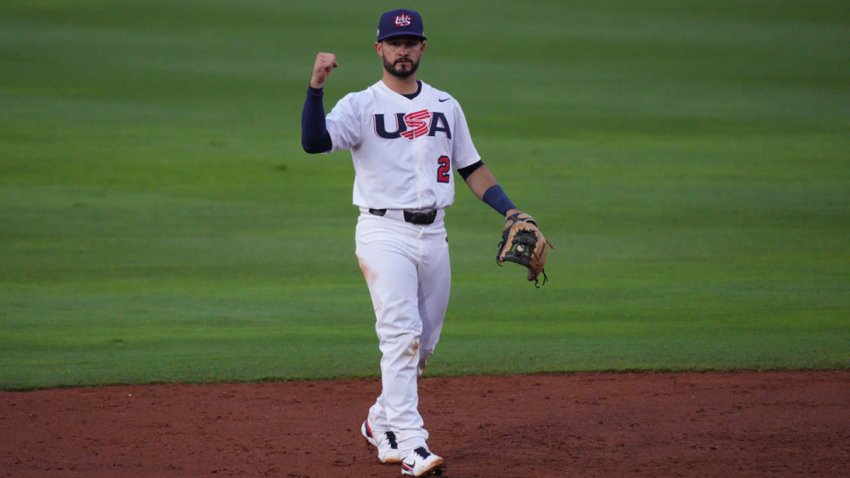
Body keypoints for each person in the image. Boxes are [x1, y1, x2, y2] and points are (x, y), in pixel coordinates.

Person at [301, 9, 537, 477]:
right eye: (393, 42)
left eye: (410, 42)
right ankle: (412, 444)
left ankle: (379, 420)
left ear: (422, 47)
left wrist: (510, 209)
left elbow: (471, 166)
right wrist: (315, 88)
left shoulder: (446, 105)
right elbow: (313, 142)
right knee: (401, 336)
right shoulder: (360, 105)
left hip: (435, 235)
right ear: (379, 50)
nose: (402, 50)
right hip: (383, 232)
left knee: (423, 345)